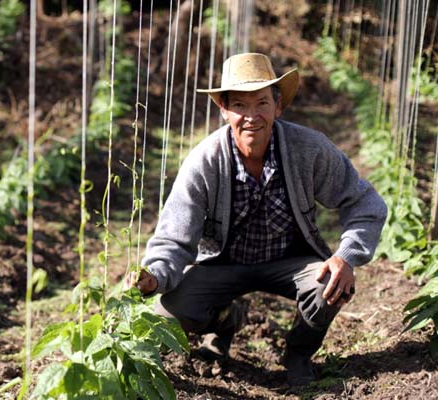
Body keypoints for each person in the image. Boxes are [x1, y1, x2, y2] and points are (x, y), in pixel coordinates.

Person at [131, 52, 387, 386]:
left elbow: (364, 202)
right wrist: (154, 275)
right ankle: (225, 320)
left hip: (291, 262)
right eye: (239, 105)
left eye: (262, 103)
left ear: (278, 107)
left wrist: (346, 255)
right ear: (223, 110)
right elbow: (173, 238)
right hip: (222, 265)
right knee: (168, 312)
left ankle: (297, 354)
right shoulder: (204, 162)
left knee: (330, 284)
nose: (251, 116)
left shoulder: (308, 149)